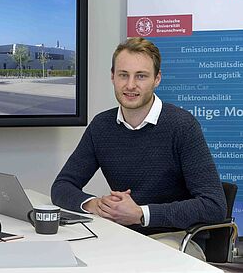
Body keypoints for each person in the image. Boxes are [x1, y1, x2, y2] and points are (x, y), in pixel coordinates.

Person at [51, 37, 226, 259]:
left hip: (176, 239)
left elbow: (213, 206)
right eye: (123, 75)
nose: (130, 85)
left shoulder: (182, 126)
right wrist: (94, 205)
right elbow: (62, 186)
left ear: (157, 79)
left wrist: (140, 214)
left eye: (141, 76)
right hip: (121, 235)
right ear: (113, 77)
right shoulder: (101, 126)